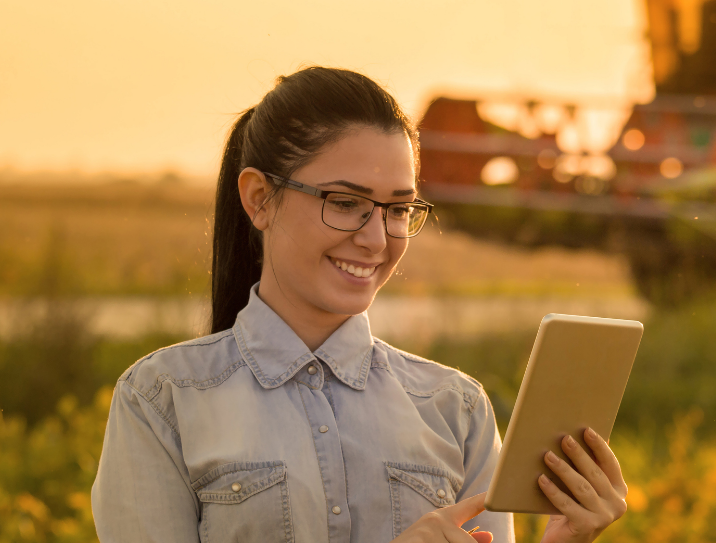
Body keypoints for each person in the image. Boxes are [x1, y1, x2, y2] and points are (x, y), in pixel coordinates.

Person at [91, 66, 628, 543]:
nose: (376, 239)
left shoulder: (455, 409)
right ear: (259, 198)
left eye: (398, 209)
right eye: (346, 203)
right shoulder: (162, 401)